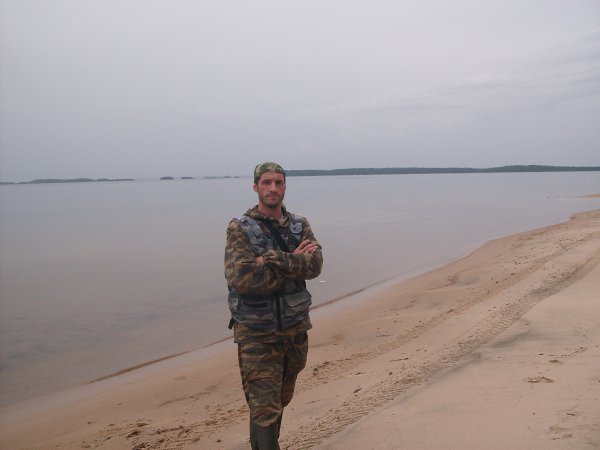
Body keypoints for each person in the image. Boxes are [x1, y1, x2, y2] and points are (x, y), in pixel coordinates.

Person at [224, 162, 323, 449]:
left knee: (279, 400)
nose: (273, 188)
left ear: (284, 186)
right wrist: (293, 259)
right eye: (266, 182)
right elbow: (243, 278)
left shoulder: (298, 225)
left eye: (278, 182)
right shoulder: (240, 228)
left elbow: (315, 266)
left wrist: (269, 258)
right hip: (257, 333)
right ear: (255, 186)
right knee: (264, 408)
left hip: (294, 330)